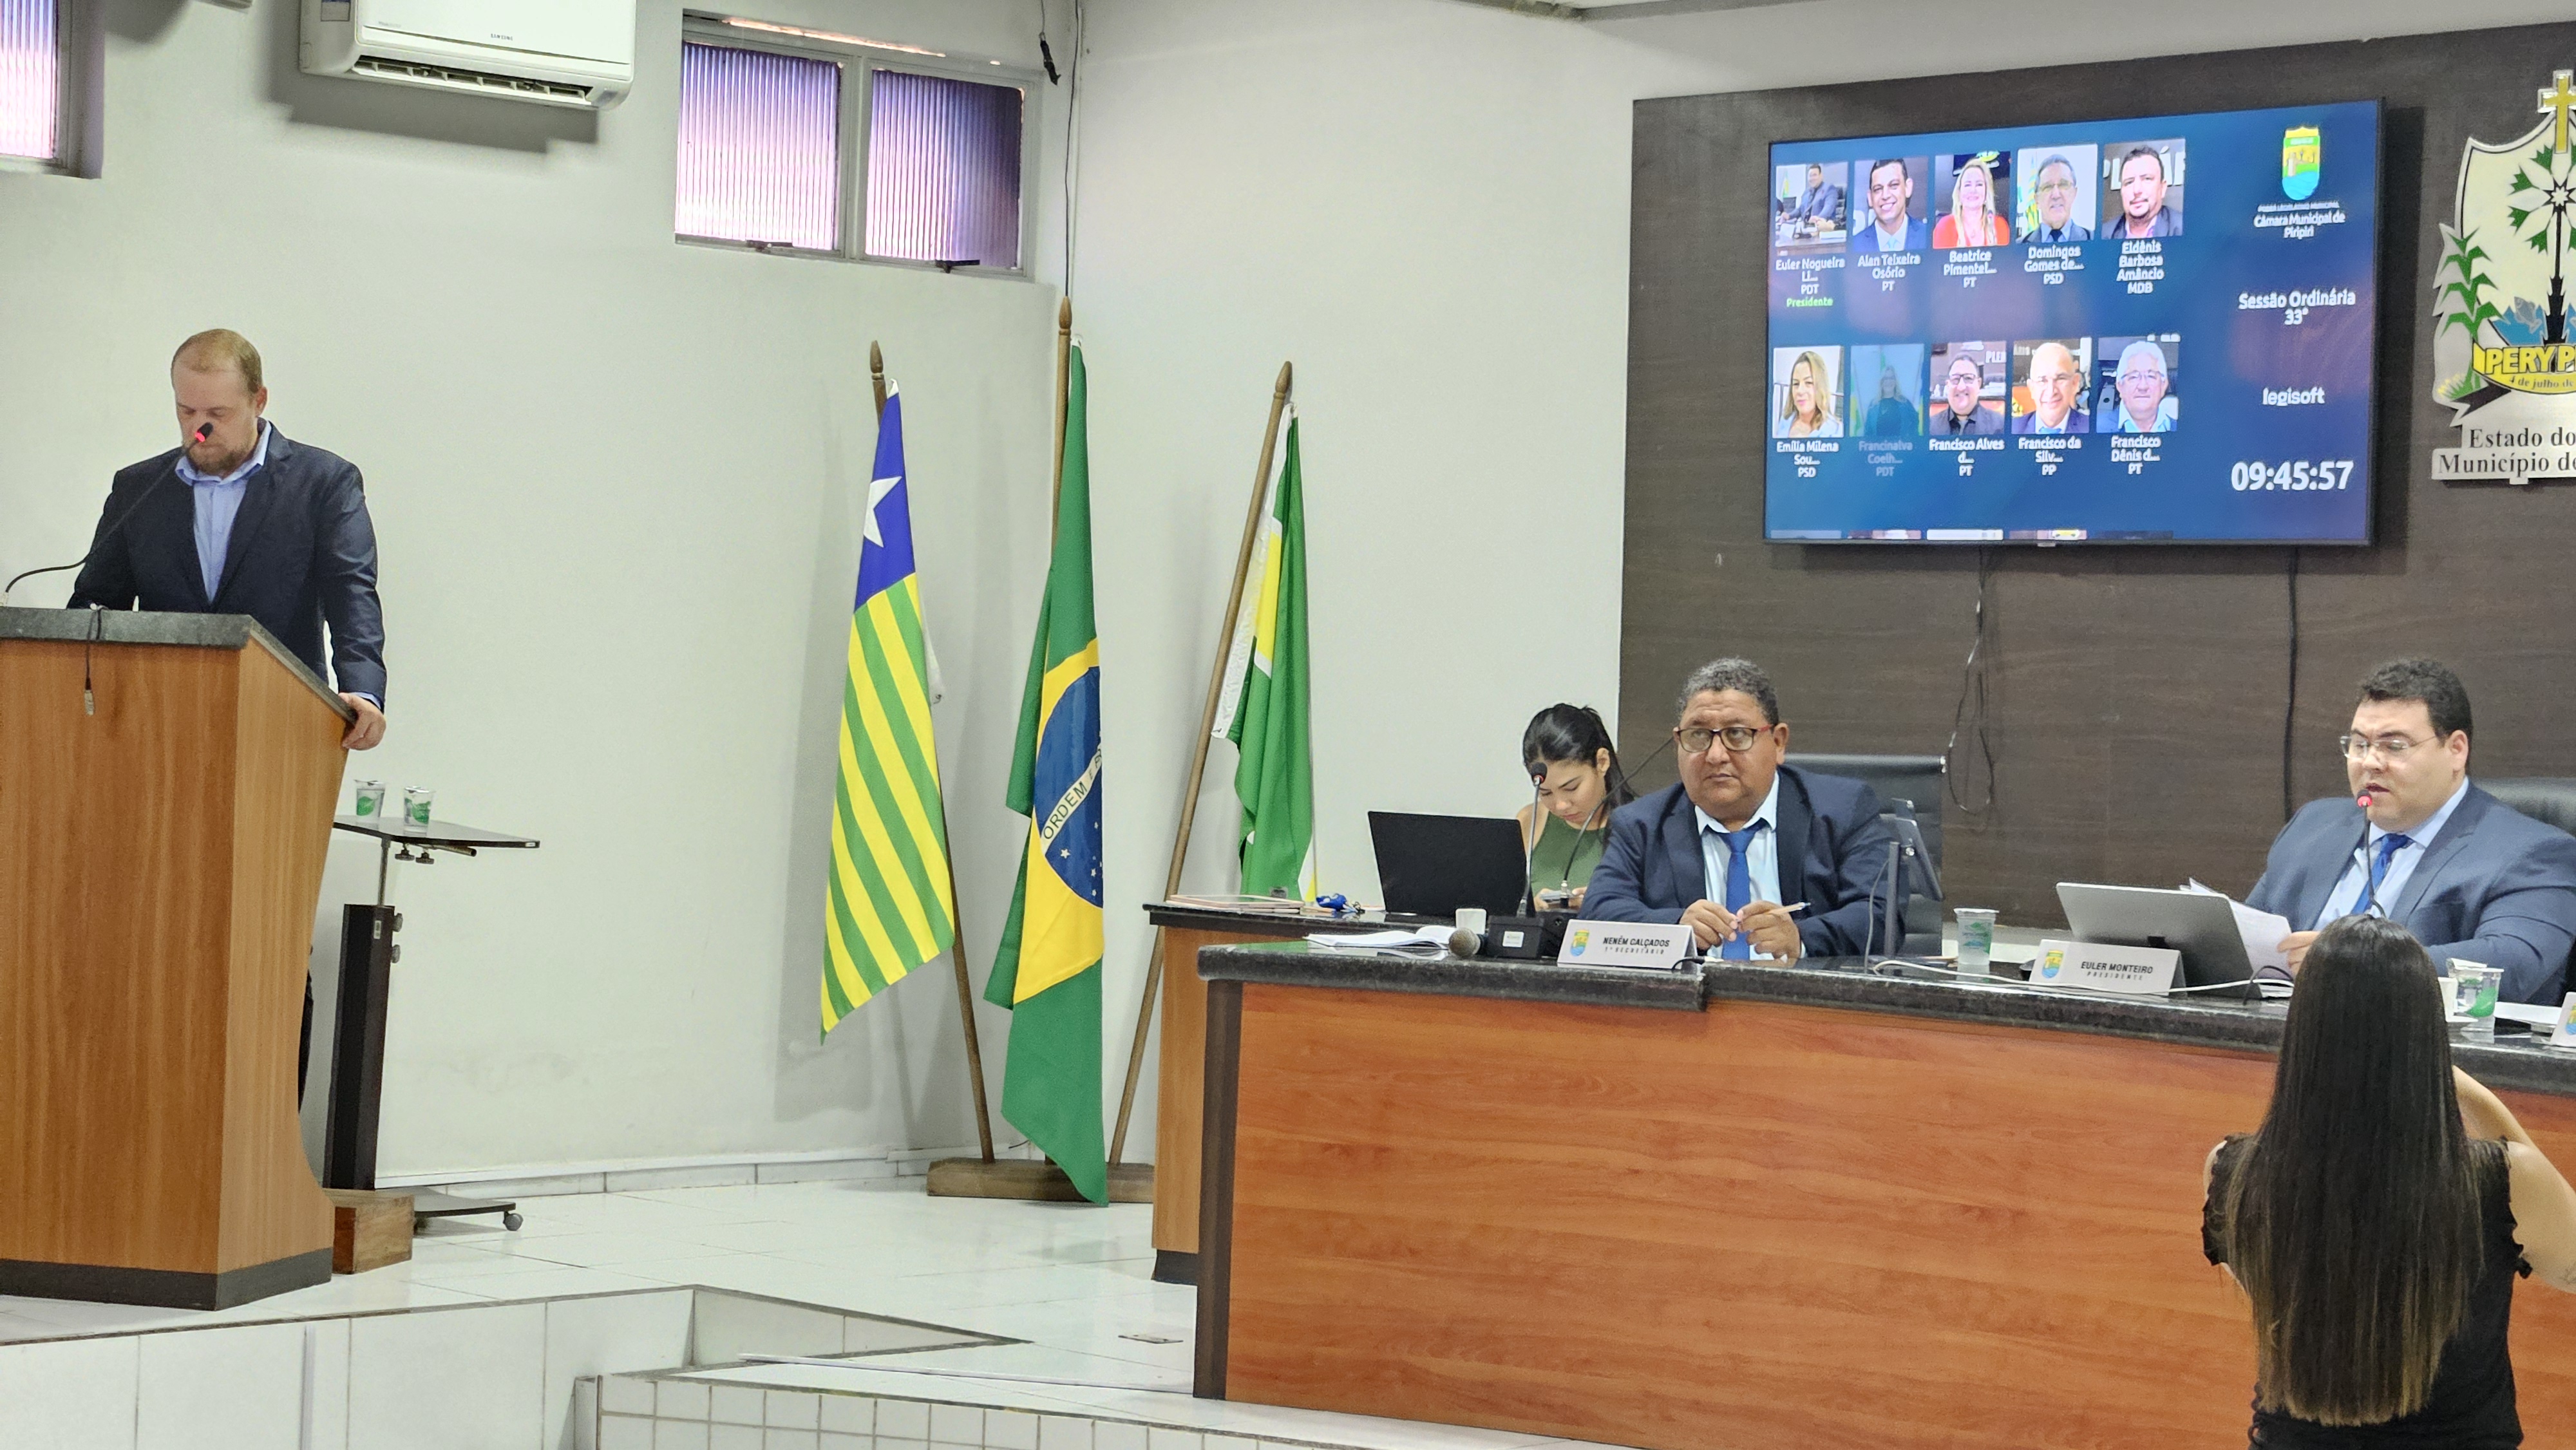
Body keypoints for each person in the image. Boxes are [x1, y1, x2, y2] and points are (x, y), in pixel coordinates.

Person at [2203, 914, 2576, 1447]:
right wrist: (2471, 1092)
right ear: (2429, 1031)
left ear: (2301, 1031)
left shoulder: (2232, 1170)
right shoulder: (2505, 1180)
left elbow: (2275, 1293)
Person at [70, 330, 387, 749]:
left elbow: (351, 593)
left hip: (282, 720)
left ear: (259, 401)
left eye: (218, 413)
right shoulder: (140, 489)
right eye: (186, 411)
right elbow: (97, 603)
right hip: (158, 723)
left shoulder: (322, 483)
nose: (200, 427)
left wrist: (362, 690)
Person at [2247, 659, 2576, 1004]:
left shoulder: (2535, 852)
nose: (2370, 762)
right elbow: (2247, 940)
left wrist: (2359, 961)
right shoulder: (2313, 826)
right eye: (2359, 745)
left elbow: (2513, 965)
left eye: (2394, 746)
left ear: (2456, 750)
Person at [1581, 658, 1895, 960]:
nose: (1716, 755)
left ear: (1778, 742)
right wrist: (1674, 927)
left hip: (1804, 994)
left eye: (1737, 734)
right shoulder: (1641, 824)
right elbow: (1597, 913)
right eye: (1698, 735)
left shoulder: (1842, 810)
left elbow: (1880, 914)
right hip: (1691, 995)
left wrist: (1801, 938)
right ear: (1678, 743)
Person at [1517, 704, 1635, 912]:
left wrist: (1604, 906)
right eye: (1546, 793)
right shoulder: (1530, 821)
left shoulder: (1643, 823)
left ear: (1602, 762)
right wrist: (1530, 910)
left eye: (1571, 788)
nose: (1561, 805)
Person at [1853, 158, 1928, 253]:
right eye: (1878, 189)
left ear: (1908, 188)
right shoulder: (1855, 245)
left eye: (1894, 185)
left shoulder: (1929, 236)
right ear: (1870, 198)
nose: (1885, 196)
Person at [1932, 157, 2009, 249]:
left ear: (1986, 193)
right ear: (1959, 194)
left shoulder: (2000, 226)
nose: (1973, 190)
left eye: (1979, 184)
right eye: (1967, 185)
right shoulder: (1945, 227)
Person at [2011, 342, 2087, 434]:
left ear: (2074, 384)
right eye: (2042, 381)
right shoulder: (2013, 429)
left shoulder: (2092, 427)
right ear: (2032, 388)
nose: (2051, 391)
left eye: (2060, 379)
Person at [2109, 146, 2181, 239]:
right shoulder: (2106, 233)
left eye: (2147, 179)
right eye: (2129, 182)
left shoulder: (2183, 228)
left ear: (2162, 188)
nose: (2137, 190)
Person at [2110, 339, 2178, 433]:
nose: (2143, 386)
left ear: (2164, 385)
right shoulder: (2097, 427)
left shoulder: (2185, 430)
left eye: (2151, 376)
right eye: (2133, 377)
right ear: (2120, 386)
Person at [2019, 154, 2091, 243]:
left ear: (2074, 193)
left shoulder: (2094, 240)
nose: (2056, 195)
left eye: (2063, 184)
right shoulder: (2020, 246)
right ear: (2037, 200)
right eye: (2048, 187)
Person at [1929, 353, 2002, 435]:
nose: (1961, 387)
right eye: (1955, 379)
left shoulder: (1999, 426)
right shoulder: (1930, 427)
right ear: (1948, 385)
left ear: (1979, 384)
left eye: (1968, 378)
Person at [1778, 351, 1840, 438]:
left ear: (1821, 387)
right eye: (1796, 384)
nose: (1800, 391)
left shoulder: (1835, 431)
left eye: (1809, 383)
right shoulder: (1785, 420)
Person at [1786, 163, 1842, 236]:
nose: (1812, 178)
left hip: (1822, 232)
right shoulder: (1807, 192)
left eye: (1815, 175)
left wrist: (1818, 218)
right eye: (1810, 176)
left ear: (1821, 176)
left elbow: (1829, 207)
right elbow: (1800, 209)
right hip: (1805, 230)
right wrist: (1789, 216)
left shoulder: (1829, 189)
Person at [1862, 365, 1919, 436]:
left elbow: (1914, 429)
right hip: (1877, 443)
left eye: (1892, 378)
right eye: (1885, 379)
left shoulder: (1905, 404)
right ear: (1881, 382)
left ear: (1896, 381)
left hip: (1901, 443)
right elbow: (1868, 433)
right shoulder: (1873, 406)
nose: (1888, 381)